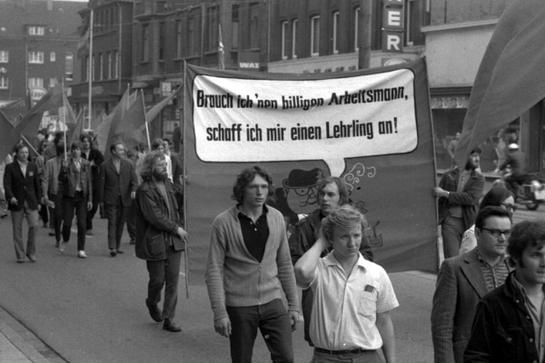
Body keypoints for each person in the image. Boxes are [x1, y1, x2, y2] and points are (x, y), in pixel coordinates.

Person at [205, 166, 299, 363]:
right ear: (242, 190)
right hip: (239, 305)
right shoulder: (223, 223)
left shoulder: (276, 218)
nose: (260, 192)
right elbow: (214, 270)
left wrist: (294, 306)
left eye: (264, 187)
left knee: (286, 357)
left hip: (273, 300)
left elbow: (284, 264)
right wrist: (220, 313)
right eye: (253, 187)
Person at [295, 205, 398, 362]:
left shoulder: (376, 273)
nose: (352, 243)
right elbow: (301, 271)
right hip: (326, 357)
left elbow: (383, 320)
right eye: (344, 237)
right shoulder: (319, 269)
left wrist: (391, 361)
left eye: (356, 235)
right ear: (331, 238)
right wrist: (321, 241)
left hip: (367, 356)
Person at [288, 176, 374, 346]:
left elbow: (368, 256)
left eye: (330, 194)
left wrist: (343, 262)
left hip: (351, 289)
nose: (324, 198)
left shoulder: (354, 223)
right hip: (317, 290)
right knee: (323, 342)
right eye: (321, 194)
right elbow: (295, 263)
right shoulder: (305, 226)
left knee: (353, 336)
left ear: (341, 197)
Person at [431, 206, 512, 363]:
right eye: (495, 232)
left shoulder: (516, 268)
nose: (502, 238)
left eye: (506, 232)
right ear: (478, 233)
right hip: (470, 356)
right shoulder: (454, 268)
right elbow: (442, 329)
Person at [465, 220, 545, 363]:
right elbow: (476, 357)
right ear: (515, 256)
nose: (544, 262)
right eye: (536, 255)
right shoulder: (493, 304)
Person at [135, 151, 188, 332]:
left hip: (174, 242)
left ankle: (168, 319)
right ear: (150, 168)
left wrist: (185, 184)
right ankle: (152, 302)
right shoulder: (145, 190)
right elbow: (154, 216)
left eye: (165, 165)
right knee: (157, 280)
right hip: (156, 241)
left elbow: (182, 202)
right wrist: (176, 228)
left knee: (173, 281)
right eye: (160, 165)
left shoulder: (170, 184)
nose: (164, 168)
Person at [433, 148, 485, 258]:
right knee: (452, 258)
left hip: (469, 224)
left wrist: (446, 193)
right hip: (450, 222)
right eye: (474, 156)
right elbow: (439, 199)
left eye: (478, 156)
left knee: (469, 259)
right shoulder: (448, 176)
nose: (477, 159)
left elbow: (471, 198)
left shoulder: (479, 178)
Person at [3, 143, 41, 263]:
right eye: (22, 152)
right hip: (16, 201)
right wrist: (11, 197)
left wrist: (39, 201)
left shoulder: (32, 166)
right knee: (17, 229)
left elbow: (37, 185)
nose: (25, 155)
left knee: (34, 225)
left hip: (31, 201)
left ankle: (31, 252)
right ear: (16, 154)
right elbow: (7, 184)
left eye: (26, 152)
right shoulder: (10, 167)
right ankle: (20, 255)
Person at [98, 142, 137, 257]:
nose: (123, 151)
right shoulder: (105, 165)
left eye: (123, 150)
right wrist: (101, 201)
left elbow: (134, 180)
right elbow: (101, 184)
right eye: (120, 150)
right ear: (113, 151)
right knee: (112, 222)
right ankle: (112, 247)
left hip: (124, 199)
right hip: (111, 198)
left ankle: (117, 245)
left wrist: (134, 190)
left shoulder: (128, 164)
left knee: (120, 223)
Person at [58, 142, 93, 258]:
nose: (75, 151)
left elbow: (89, 182)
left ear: (80, 151)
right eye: (73, 149)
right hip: (69, 196)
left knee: (82, 224)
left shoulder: (86, 163)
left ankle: (81, 249)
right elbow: (61, 179)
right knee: (67, 223)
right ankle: (66, 238)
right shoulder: (67, 163)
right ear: (71, 151)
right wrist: (63, 169)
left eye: (77, 149)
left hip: (82, 196)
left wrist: (90, 199)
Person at [459, 184, 515, 255]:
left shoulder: (512, 234)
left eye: (513, 207)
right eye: (508, 206)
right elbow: (465, 263)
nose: (511, 211)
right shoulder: (472, 234)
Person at [80, 133, 104, 236]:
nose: (86, 143)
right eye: (84, 141)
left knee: (94, 205)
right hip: (83, 182)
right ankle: (88, 226)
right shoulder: (79, 153)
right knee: (85, 204)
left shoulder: (95, 152)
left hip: (94, 181)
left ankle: (86, 219)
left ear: (90, 143)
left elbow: (102, 160)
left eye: (87, 141)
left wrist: (95, 163)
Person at [42, 142, 65, 246]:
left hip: (67, 193)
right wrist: (45, 194)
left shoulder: (69, 163)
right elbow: (45, 179)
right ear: (60, 152)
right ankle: (58, 237)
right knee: (57, 214)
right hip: (54, 191)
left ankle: (62, 230)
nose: (67, 154)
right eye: (65, 152)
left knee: (65, 215)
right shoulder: (50, 163)